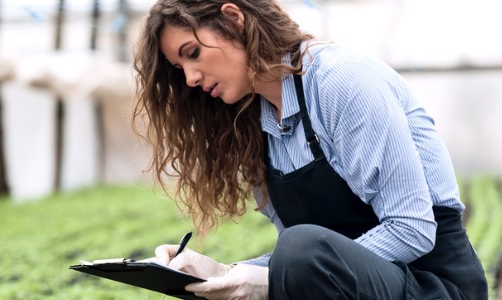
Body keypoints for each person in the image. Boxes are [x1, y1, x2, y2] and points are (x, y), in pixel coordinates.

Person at [132, 0, 488, 299]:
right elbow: (308, 261)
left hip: (432, 284)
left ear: (234, 19)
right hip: (356, 284)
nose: (191, 78)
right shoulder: (256, 126)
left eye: (193, 54)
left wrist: (272, 280)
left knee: (299, 248)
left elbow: (413, 228)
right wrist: (226, 272)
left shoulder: (340, 80)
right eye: (181, 69)